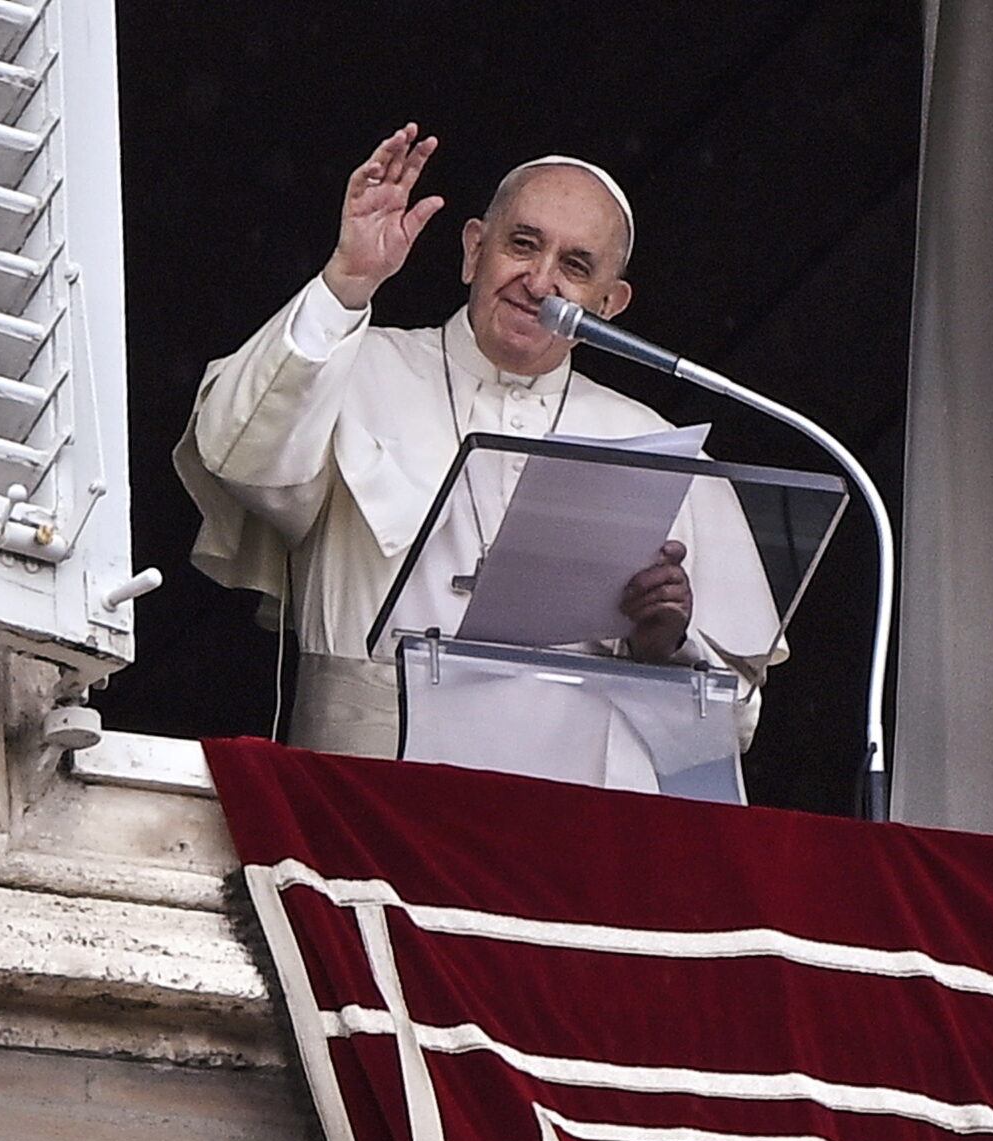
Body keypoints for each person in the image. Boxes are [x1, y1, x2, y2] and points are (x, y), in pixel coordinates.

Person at [174, 125, 781, 777]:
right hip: (368, 794)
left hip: (568, 829)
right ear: (473, 250)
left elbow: (728, 734)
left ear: (609, 304)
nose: (539, 280)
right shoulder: (350, 367)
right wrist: (346, 281)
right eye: (523, 244)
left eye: (575, 267)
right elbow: (236, 454)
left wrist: (668, 647)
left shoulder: (659, 450)